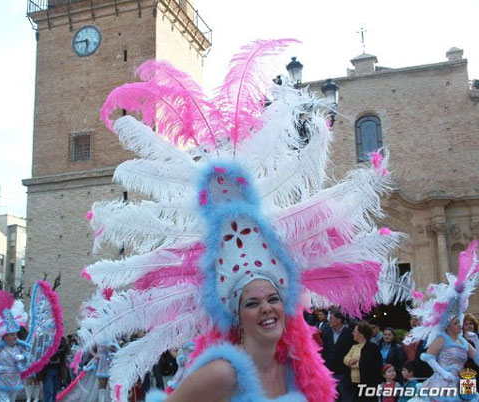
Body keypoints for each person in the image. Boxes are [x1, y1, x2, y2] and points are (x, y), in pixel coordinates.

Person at [76, 38, 402, 401]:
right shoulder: (221, 373)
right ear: (236, 314)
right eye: (252, 302)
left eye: (272, 298)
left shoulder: (297, 368)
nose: (266, 307)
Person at [406, 241, 479, 402]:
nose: (459, 325)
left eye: (459, 323)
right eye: (456, 323)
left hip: (460, 382)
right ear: (448, 326)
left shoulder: (462, 341)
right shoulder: (442, 339)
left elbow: (477, 359)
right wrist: (443, 372)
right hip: (441, 383)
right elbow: (427, 357)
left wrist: (476, 342)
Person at [344, 321, 383, 401]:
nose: (352, 333)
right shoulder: (354, 346)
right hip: (353, 384)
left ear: (361, 334)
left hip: (367, 385)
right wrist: (353, 361)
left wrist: (354, 363)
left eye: (355, 332)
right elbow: (345, 360)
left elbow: (367, 364)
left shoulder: (372, 348)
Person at [322, 308, 355, 401]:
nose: (329, 320)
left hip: (344, 373)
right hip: (329, 372)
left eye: (331, 318)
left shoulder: (350, 333)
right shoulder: (327, 333)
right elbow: (325, 351)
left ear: (339, 320)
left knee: (345, 397)